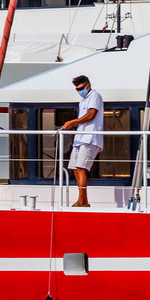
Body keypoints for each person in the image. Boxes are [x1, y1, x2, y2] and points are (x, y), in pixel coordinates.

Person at [59, 74, 105, 208]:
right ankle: (83, 200)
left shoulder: (95, 96)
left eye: (81, 88)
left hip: (90, 138)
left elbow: (91, 115)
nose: (79, 91)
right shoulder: (83, 101)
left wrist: (73, 122)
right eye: (77, 90)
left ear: (88, 86)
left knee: (81, 167)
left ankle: (82, 201)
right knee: (74, 168)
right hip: (80, 138)